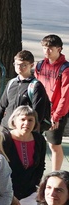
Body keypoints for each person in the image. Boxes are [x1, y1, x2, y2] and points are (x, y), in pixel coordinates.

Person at [0, 50, 51, 132]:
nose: (19, 67)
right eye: (17, 64)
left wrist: (30, 131)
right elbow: (2, 107)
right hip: (5, 128)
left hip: (23, 131)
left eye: (24, 65)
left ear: (31, 65)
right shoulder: (11, 83)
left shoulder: (36, 86)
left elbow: (38, 114)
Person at [36, 35, 69, 170]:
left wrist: (57, 116)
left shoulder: (65, 69)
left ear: (59, 49)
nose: (47, 51)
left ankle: (55, 173)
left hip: (56, 113)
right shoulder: (40, 65)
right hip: (40, 110)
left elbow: (66, 96)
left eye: (50, 48)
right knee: (35, 141)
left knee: (54, 144)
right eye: (44, 48)